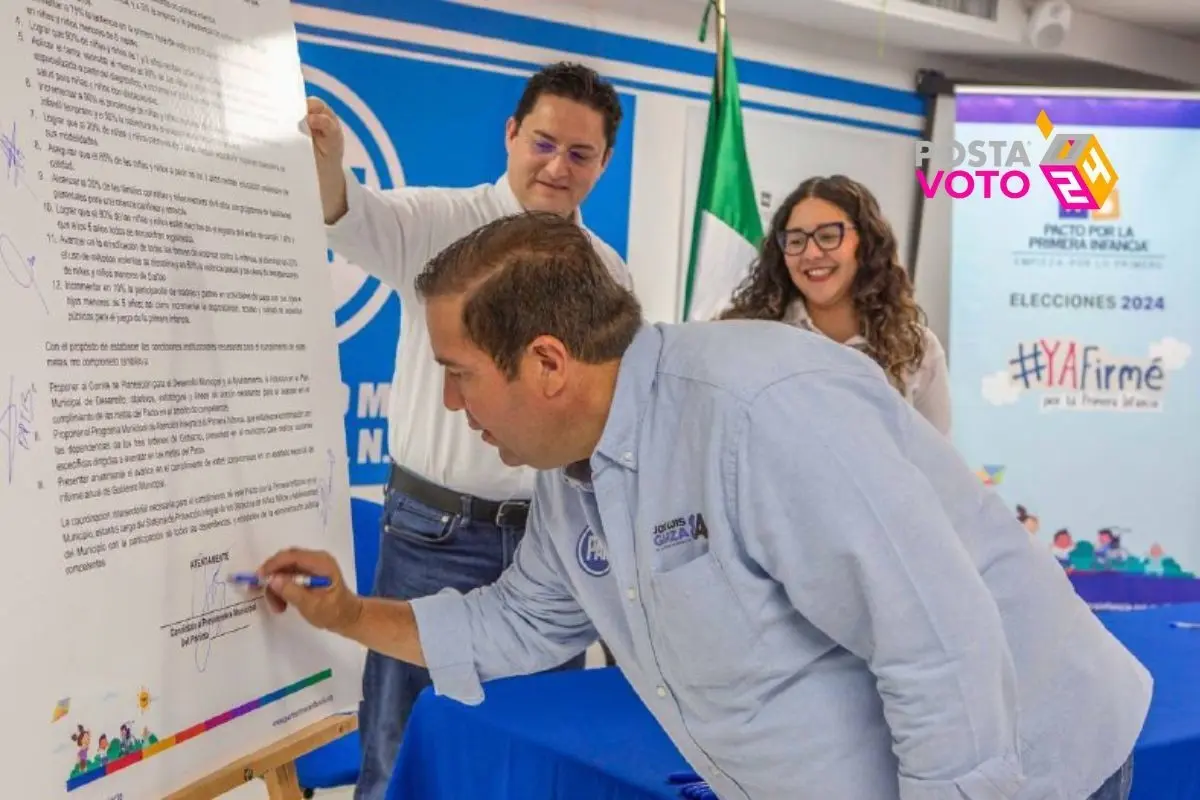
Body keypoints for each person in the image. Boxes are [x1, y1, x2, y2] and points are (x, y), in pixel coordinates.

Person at [259, 213, 1152, 800]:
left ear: (546, 363)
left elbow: (940, 644)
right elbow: (520, 623)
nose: (453, 405)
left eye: (458, 374)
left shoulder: (761, 414)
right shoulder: (576, 471)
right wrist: (346, 615)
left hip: (1032, 770)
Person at [306, 62, 632, 798]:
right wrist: (326, 168)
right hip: (433, 534)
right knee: (400, 747)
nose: (558, 167)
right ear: (512, 133)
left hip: (550, 548)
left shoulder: (606, 273)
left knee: (523, 750)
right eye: (545, 143)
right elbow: (351, 215)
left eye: (581, 155)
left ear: (605, 162)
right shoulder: (438, 223)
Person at [721, 175, 952, 435]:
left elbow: (933, 465)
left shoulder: (917, 350)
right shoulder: (746, 336)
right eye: (796, 241)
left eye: (828, 236)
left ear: (865, 243)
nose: (811, 254)